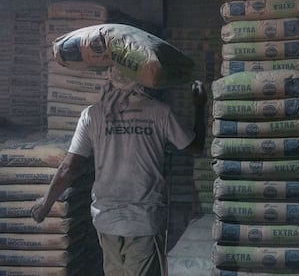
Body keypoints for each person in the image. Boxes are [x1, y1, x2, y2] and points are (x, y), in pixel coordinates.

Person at [31, 77, 207, 276]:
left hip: (107, 222)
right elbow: (195, 146)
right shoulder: (160, 112)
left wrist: (45, 205)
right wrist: (199, 107)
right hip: (144, 222)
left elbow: (67, 168)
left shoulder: (92, 115)